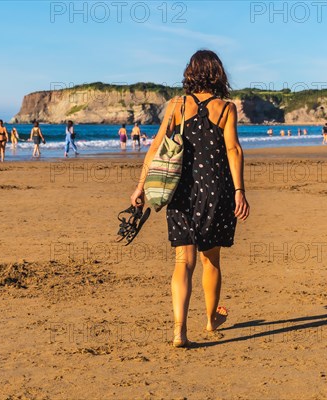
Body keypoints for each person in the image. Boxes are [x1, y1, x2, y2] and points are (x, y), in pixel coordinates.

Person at [130, 50, 249, 348]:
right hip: (216, 192)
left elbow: (156, 148)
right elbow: (233, 150)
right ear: (219, 73)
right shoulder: (226, 109)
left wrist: (140, 187)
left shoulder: (176, 106)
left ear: (190, 72)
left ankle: (179, 332)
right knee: (212, 260)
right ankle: (210, 319)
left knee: (183, 262)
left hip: (181, 192)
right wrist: (239, 191)